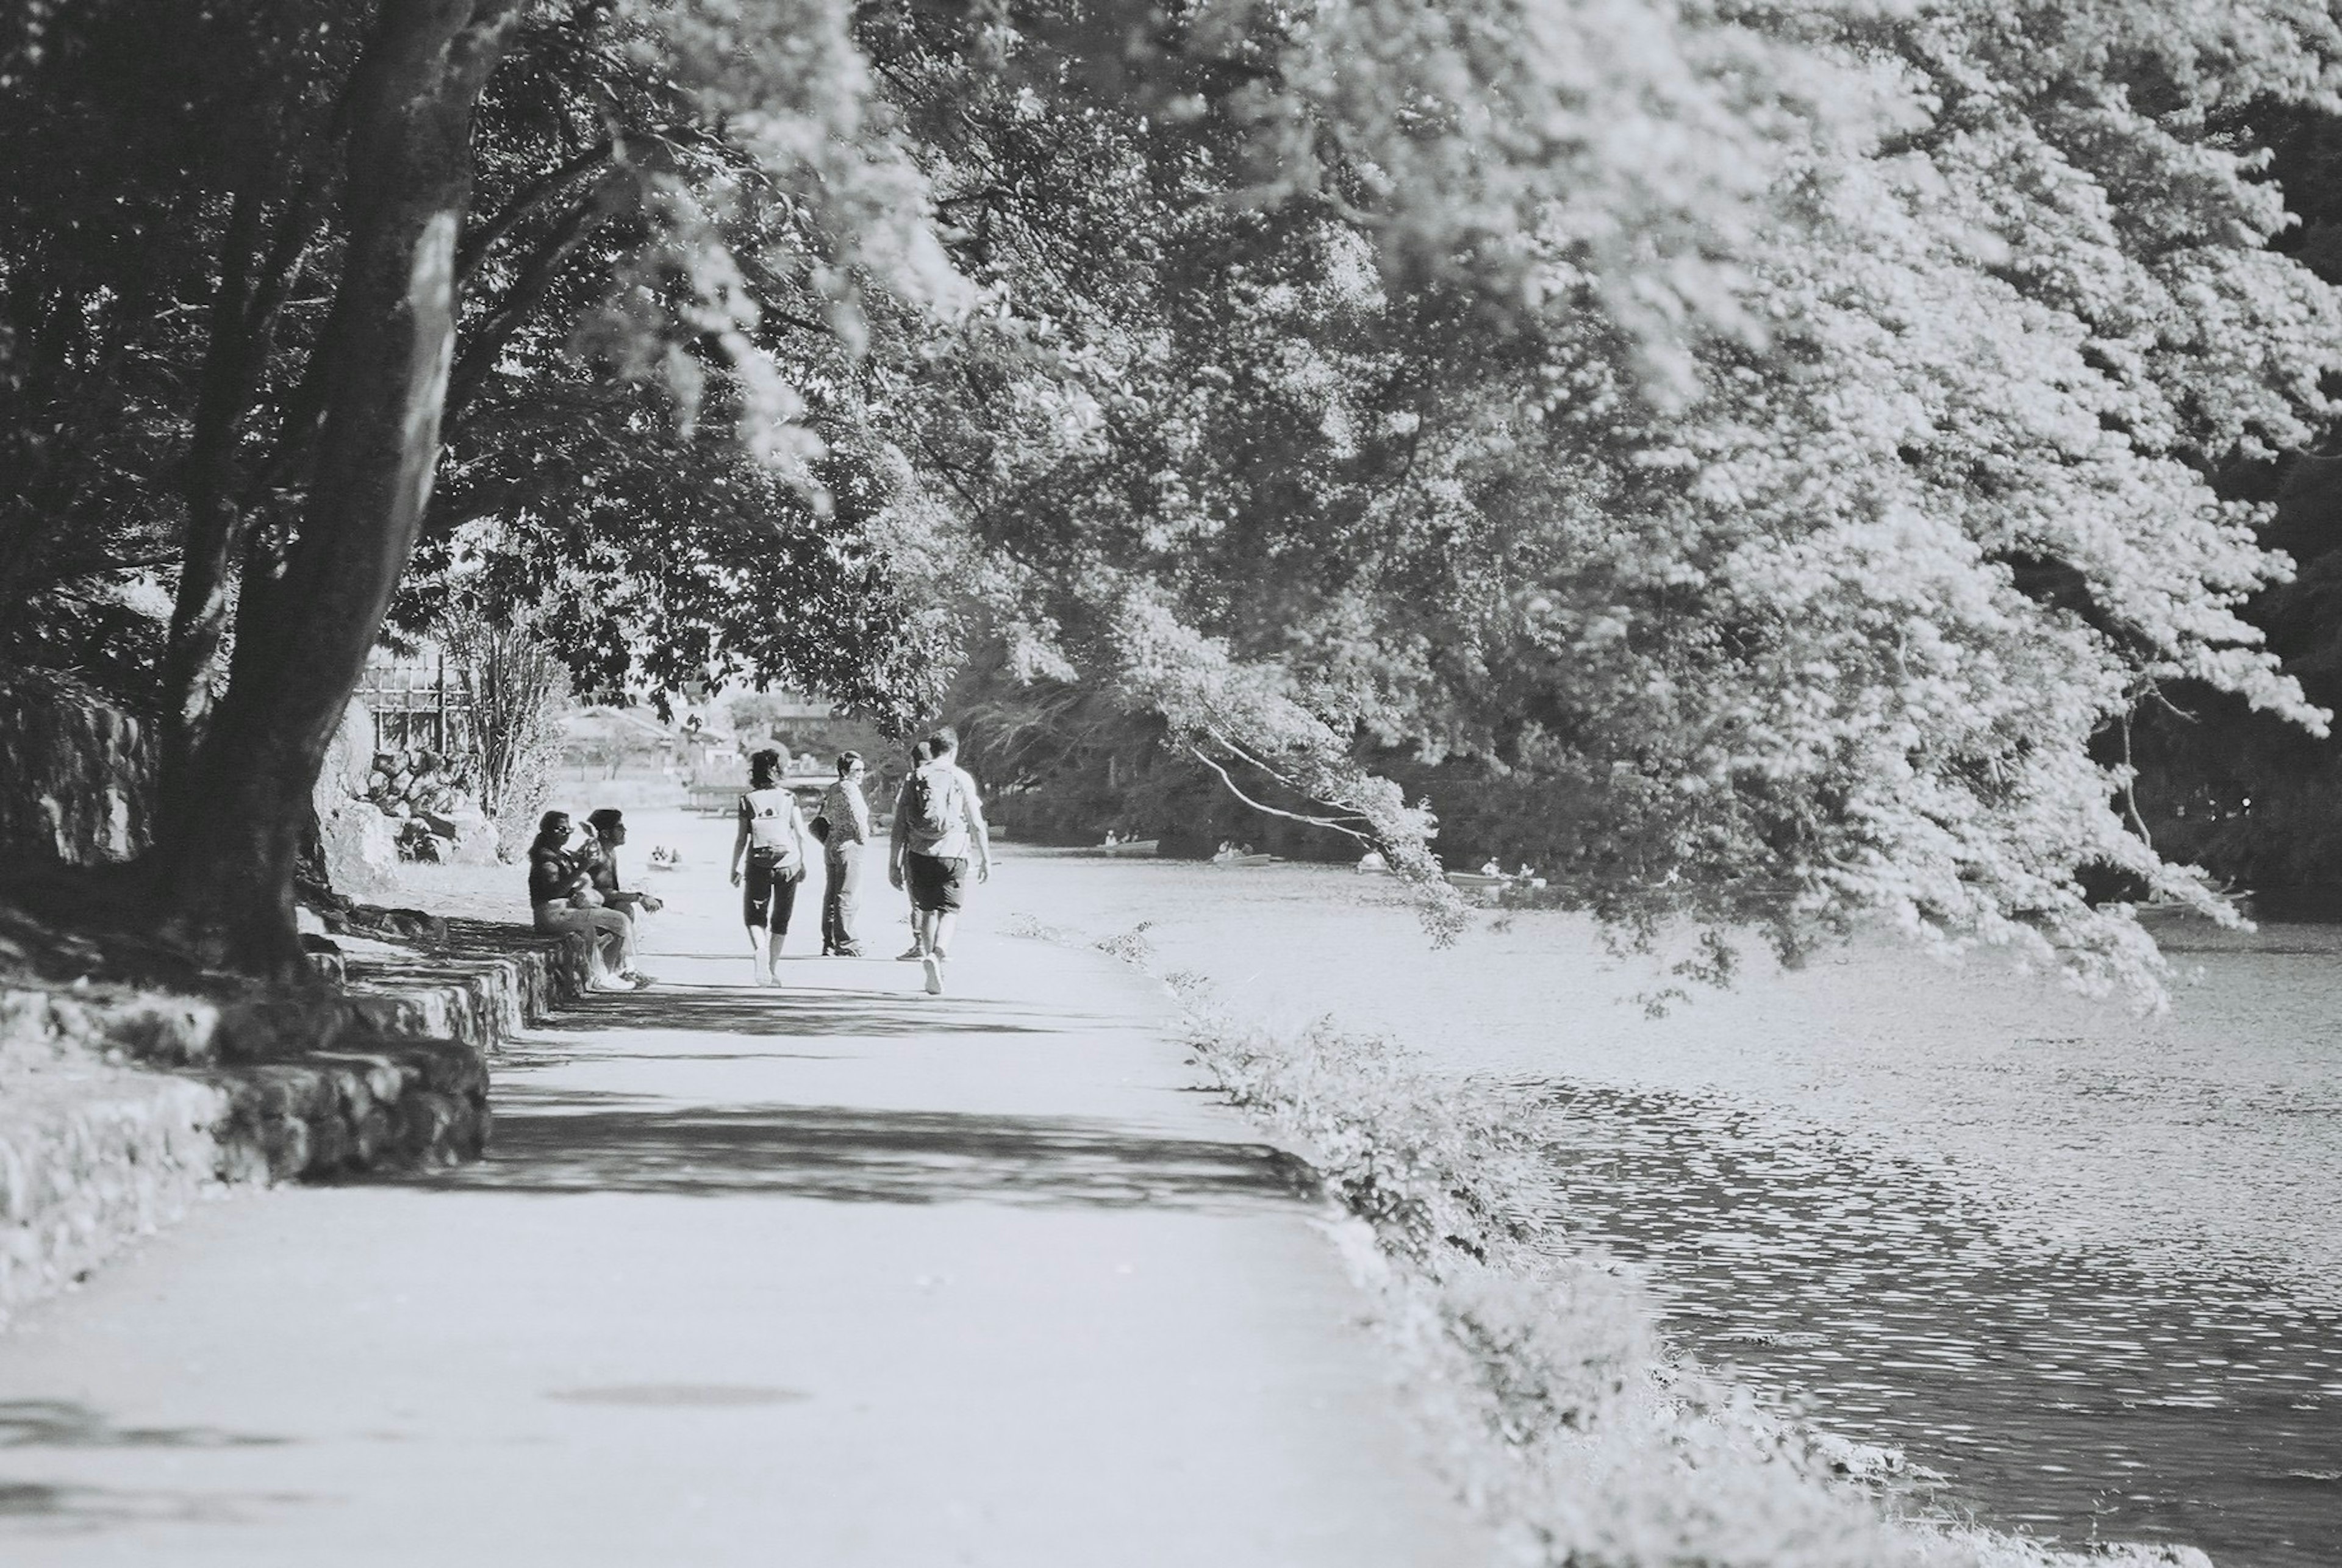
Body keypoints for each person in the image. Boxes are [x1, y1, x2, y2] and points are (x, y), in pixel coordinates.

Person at [888, 726, 991, 996]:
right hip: (954, 852)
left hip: (919, 854)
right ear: (954, 750)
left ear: (931, 750)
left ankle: (931, 964)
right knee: (950, 911)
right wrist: (986, 858)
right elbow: (977, 823)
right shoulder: (960, 777)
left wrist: (893, 863)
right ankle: (939, 953)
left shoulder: (915, 777)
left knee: (927, 910)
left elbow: (899, 825)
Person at [528, 811, 650, 990]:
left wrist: (591, 840)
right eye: (560, 829)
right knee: (619, 920)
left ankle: (607, 973)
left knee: (607, 924)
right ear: (546, 830)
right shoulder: (546, 858)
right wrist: (583, 868)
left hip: (564, 911)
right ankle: (610, 975)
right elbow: (554, 893)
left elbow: (586, 855)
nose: (566, 833)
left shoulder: (560, 854)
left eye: (568, 829)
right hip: (551, 914)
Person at [729, 746, 814, 986]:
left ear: (753, 773)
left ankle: (760, 949)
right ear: (777, 770)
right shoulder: (789, 798)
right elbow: (800, 833)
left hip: (758, 864)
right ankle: (772, 971)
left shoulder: (747, 800)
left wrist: (734, 868)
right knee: (782, 919)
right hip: (789, 863)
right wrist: (803, 862)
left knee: (755, 917)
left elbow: (741, 839)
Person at [816, 751, 872, 956]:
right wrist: (864, 839)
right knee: (848, 895)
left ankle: (829, 941)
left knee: (832, 895)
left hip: (831, 845)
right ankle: (846, 942)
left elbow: (824, 815)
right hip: (849, 845)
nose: (861, 774)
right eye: (856, 770)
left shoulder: (833, 789)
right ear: (844, 771)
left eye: (862, 769)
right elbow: (858, 817)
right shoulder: (850, 789)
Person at [583, 808, 664, 925]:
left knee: (625, 906)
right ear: (605, 833)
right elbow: (600, 892)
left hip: (600, 905)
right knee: (625, 909)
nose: (625, 830)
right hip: (590, 907)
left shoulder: (610, 852)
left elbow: (610, 891)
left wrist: (643, 898)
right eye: (619, 827)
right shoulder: (598, 855)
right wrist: (639, 898)